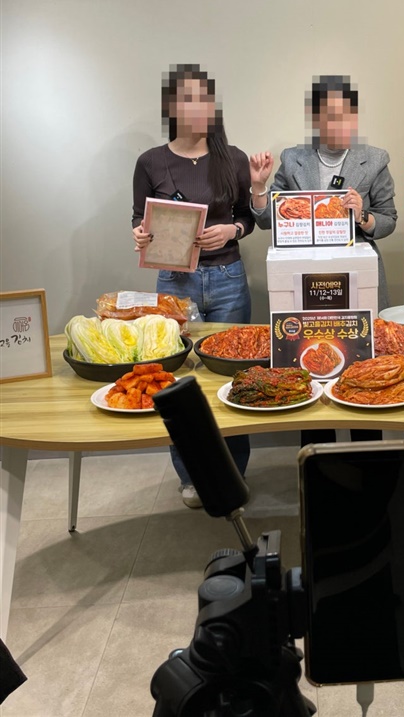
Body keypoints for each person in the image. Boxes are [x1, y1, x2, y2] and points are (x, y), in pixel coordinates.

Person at [249, 74, 398, 444]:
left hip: (357, 281)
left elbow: (389, 220)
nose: (340, 124)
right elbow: (269, 220)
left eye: (347, 116)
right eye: (330, 116)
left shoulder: (374, 160)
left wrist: (363, 215)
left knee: (363, 370)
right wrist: (259, 188)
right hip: (305, 284)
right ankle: (318, 462)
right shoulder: (293, 159)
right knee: (311, 373)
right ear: (316, 120)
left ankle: (368, 460)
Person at [132, 64, 254, 508]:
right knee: (178, 381)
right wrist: (140, 235)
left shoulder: (233, 158)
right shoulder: (151, 162)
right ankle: (190, 477)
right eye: (188, 99)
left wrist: (232, 231)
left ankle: (234, 474)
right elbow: (139, 218)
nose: (198, 108)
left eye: (205, 99)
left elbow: (248, 217)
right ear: (172, 107)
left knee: (233, 376)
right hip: (175, 282)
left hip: (227, 279)